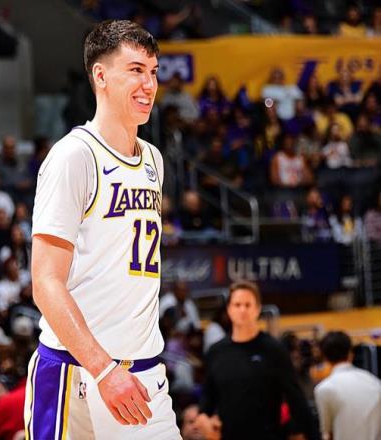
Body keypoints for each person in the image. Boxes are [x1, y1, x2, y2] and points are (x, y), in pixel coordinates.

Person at [27, 19, 180, 439]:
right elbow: (45, 282)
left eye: (153, 72)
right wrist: (104, 369)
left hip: (145, 376)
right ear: (100, 76)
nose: (149, 84)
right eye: (135, 70)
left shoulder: (153, 159)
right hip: (80, 373)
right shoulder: (73, 156)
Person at [198, 280, 313, 440]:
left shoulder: (274, 350)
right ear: (229, 309)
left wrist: (301, 432)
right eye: (237, 304)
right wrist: (204, 419)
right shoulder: (216, 352)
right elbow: (207, 400)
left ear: (258, 309)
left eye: (248, 305)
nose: (242, 310)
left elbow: (296, 398)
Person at [314, 331, 381, 440]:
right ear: (350, 353)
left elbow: (327, 434)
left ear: (325, 357)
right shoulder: (374, 381)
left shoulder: (324, 388)